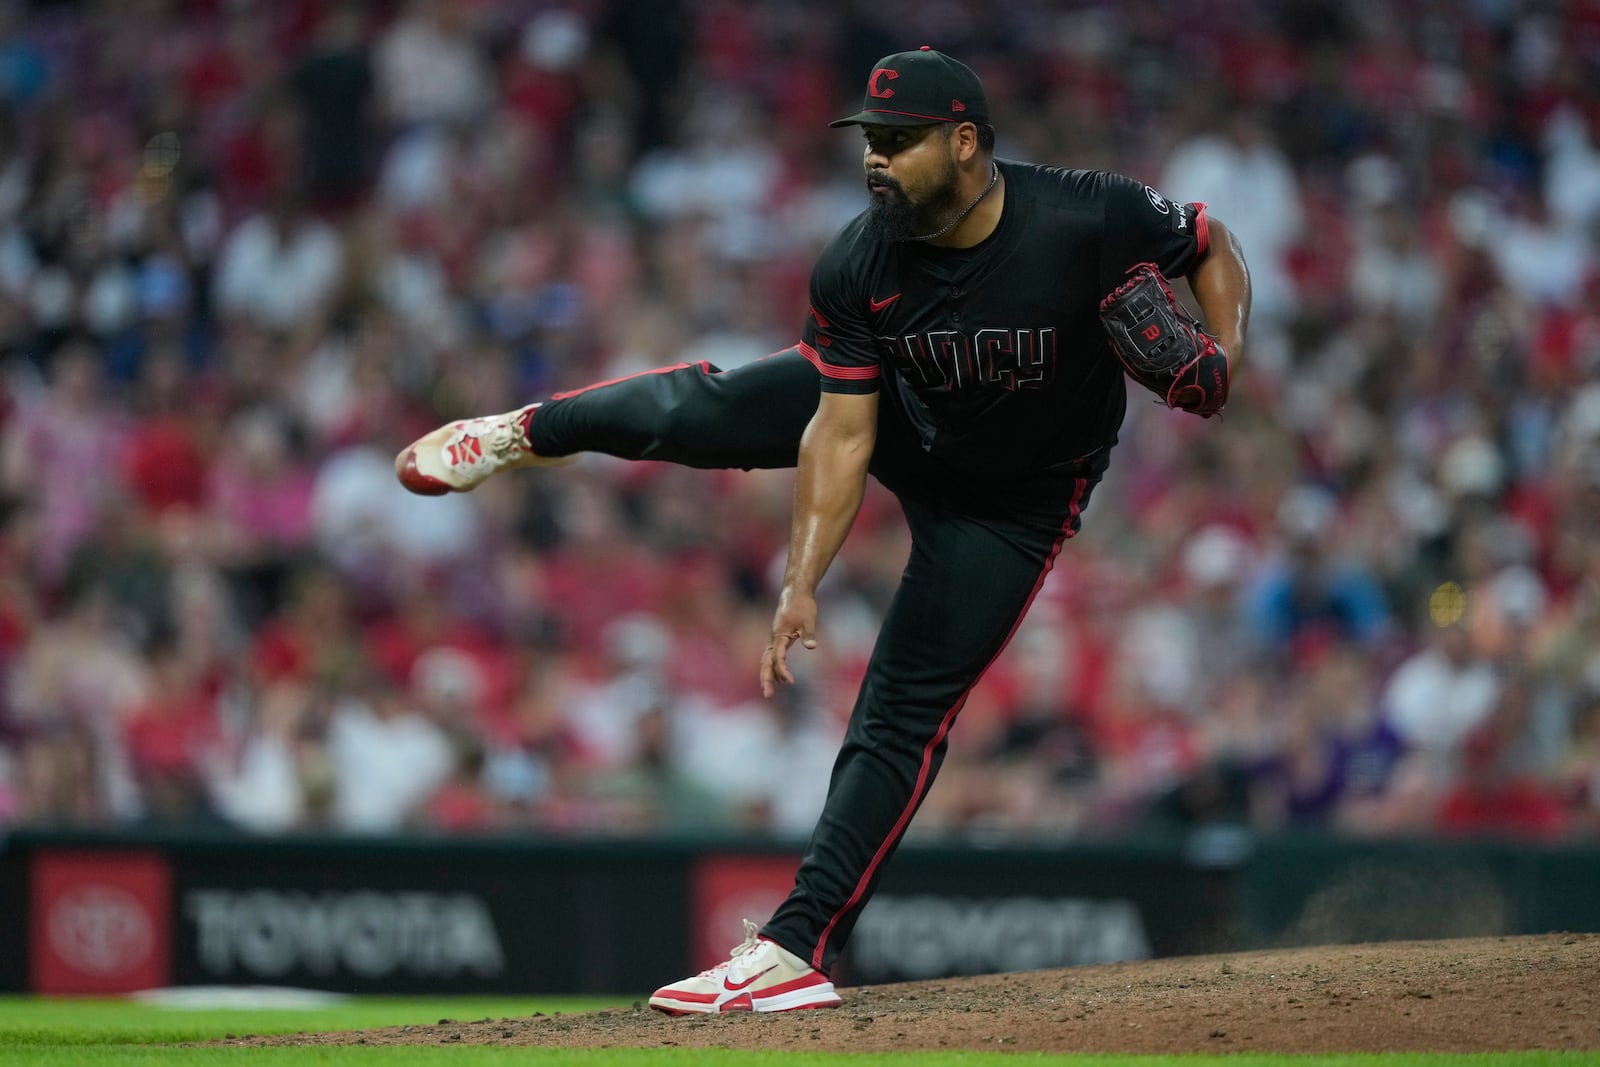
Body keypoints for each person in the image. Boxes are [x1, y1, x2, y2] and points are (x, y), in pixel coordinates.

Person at [395, 47, 1251, 1013]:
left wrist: (1222, 348)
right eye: (869, 142)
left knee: (901, 710)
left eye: (898, 141)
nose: (875, 160)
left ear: (965, 142)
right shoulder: (861, 259)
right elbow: (840, 436)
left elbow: (1212, 246)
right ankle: (521, 431)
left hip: (1015, 501)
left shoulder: (1089, 212)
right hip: (894, 412)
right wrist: (802, 580)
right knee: (699, 410)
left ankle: (792, 949)